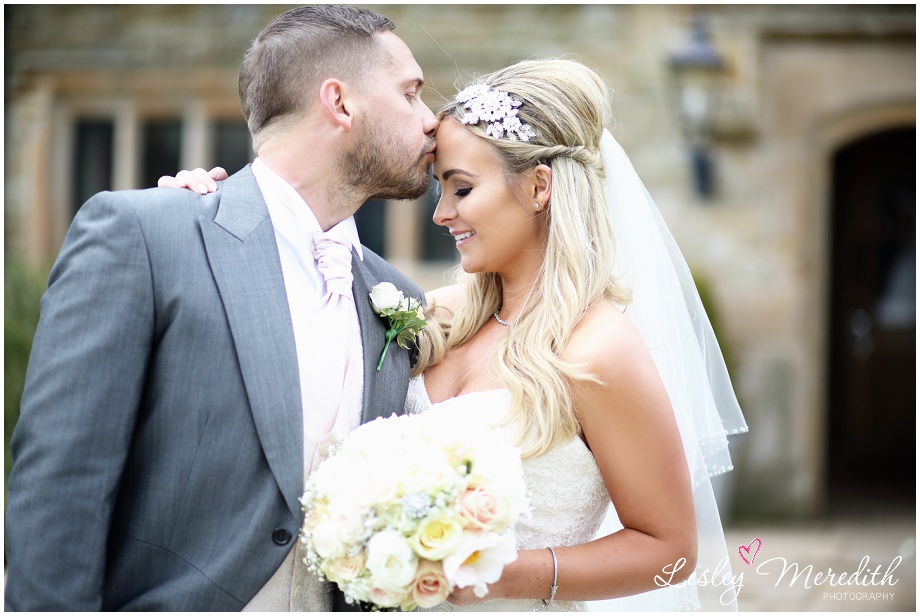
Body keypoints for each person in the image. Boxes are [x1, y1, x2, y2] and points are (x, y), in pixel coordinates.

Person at [166, 58, 748, 611]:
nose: (441, 213)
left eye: (462, 188)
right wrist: (205, 221)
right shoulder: (433, 317)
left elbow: (670, 549)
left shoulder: (598, 350)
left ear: (539, 187)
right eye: (439, 189)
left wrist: (504, 573)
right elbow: (290, 331)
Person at [4, 5, 437, 611]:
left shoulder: (396, 297)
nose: (431, 120)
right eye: (411, 94)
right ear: (340, 103)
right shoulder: (149, 235)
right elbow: (61, 485)